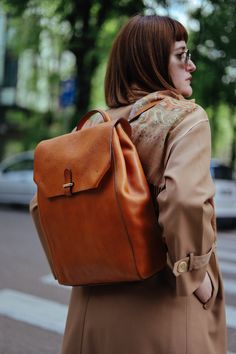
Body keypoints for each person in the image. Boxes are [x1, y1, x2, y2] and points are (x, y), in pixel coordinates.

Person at [61, 14, 227, 354]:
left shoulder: (90, 130)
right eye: (182, 55)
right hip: (160, 307)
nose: (191, 65)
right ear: (151, 61)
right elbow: (183, 202)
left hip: (89, 311)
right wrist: (197, 279)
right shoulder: (185, 119)